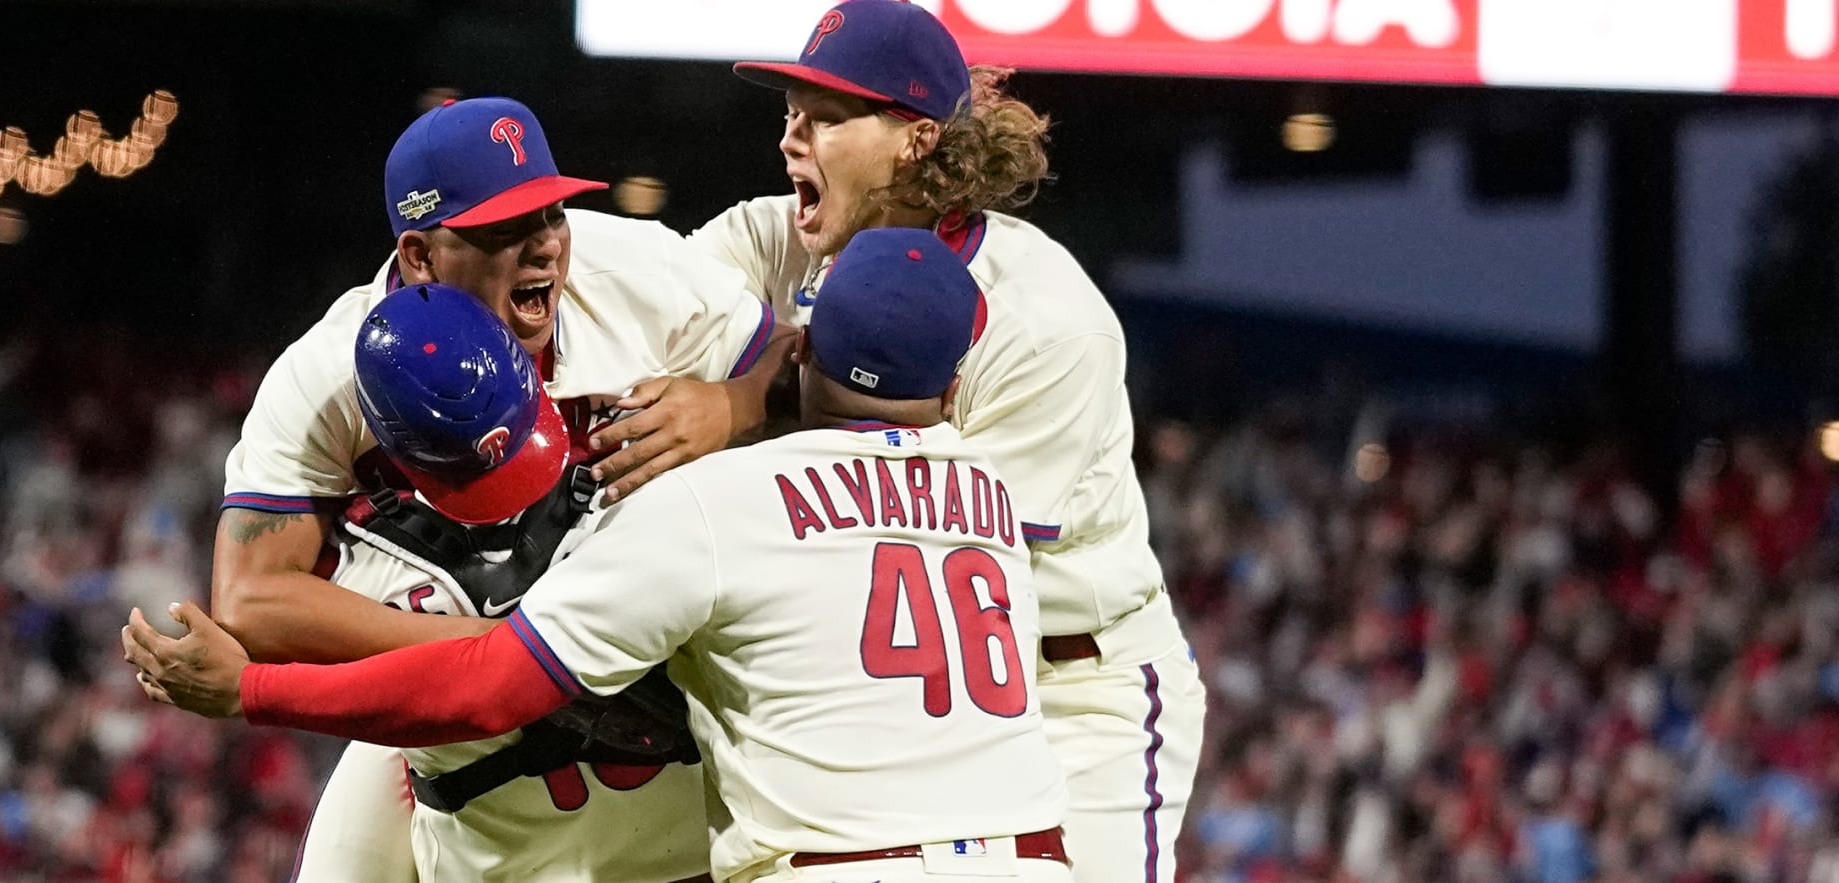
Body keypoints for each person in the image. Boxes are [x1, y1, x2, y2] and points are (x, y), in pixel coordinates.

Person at [126, 227, 1074, 883]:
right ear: (954, 382)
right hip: (1038, 854)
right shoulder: (994, 497)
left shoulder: (718, 505)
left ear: (803, 345)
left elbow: (490, 681)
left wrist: (250, 692)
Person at [210, 97, 792, 881]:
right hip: (472, 712)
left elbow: (798, 363)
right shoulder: (329, 372)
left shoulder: (632, 271)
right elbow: (249, 600)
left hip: (662, 705)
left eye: (551, 213)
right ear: (419, 255)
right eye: (503, 229)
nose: (546, 247)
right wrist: (500, 657)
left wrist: (734, 403)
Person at [689, 3, 1208, 880]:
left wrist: (743, 407)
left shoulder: (1043, 320)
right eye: (789, 113)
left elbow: (916, 538)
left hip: (1072, 686)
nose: (790, 139)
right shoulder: (779, 238)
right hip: (909, 674)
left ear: (916, 141)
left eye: (826, 117)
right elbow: (620, 283)